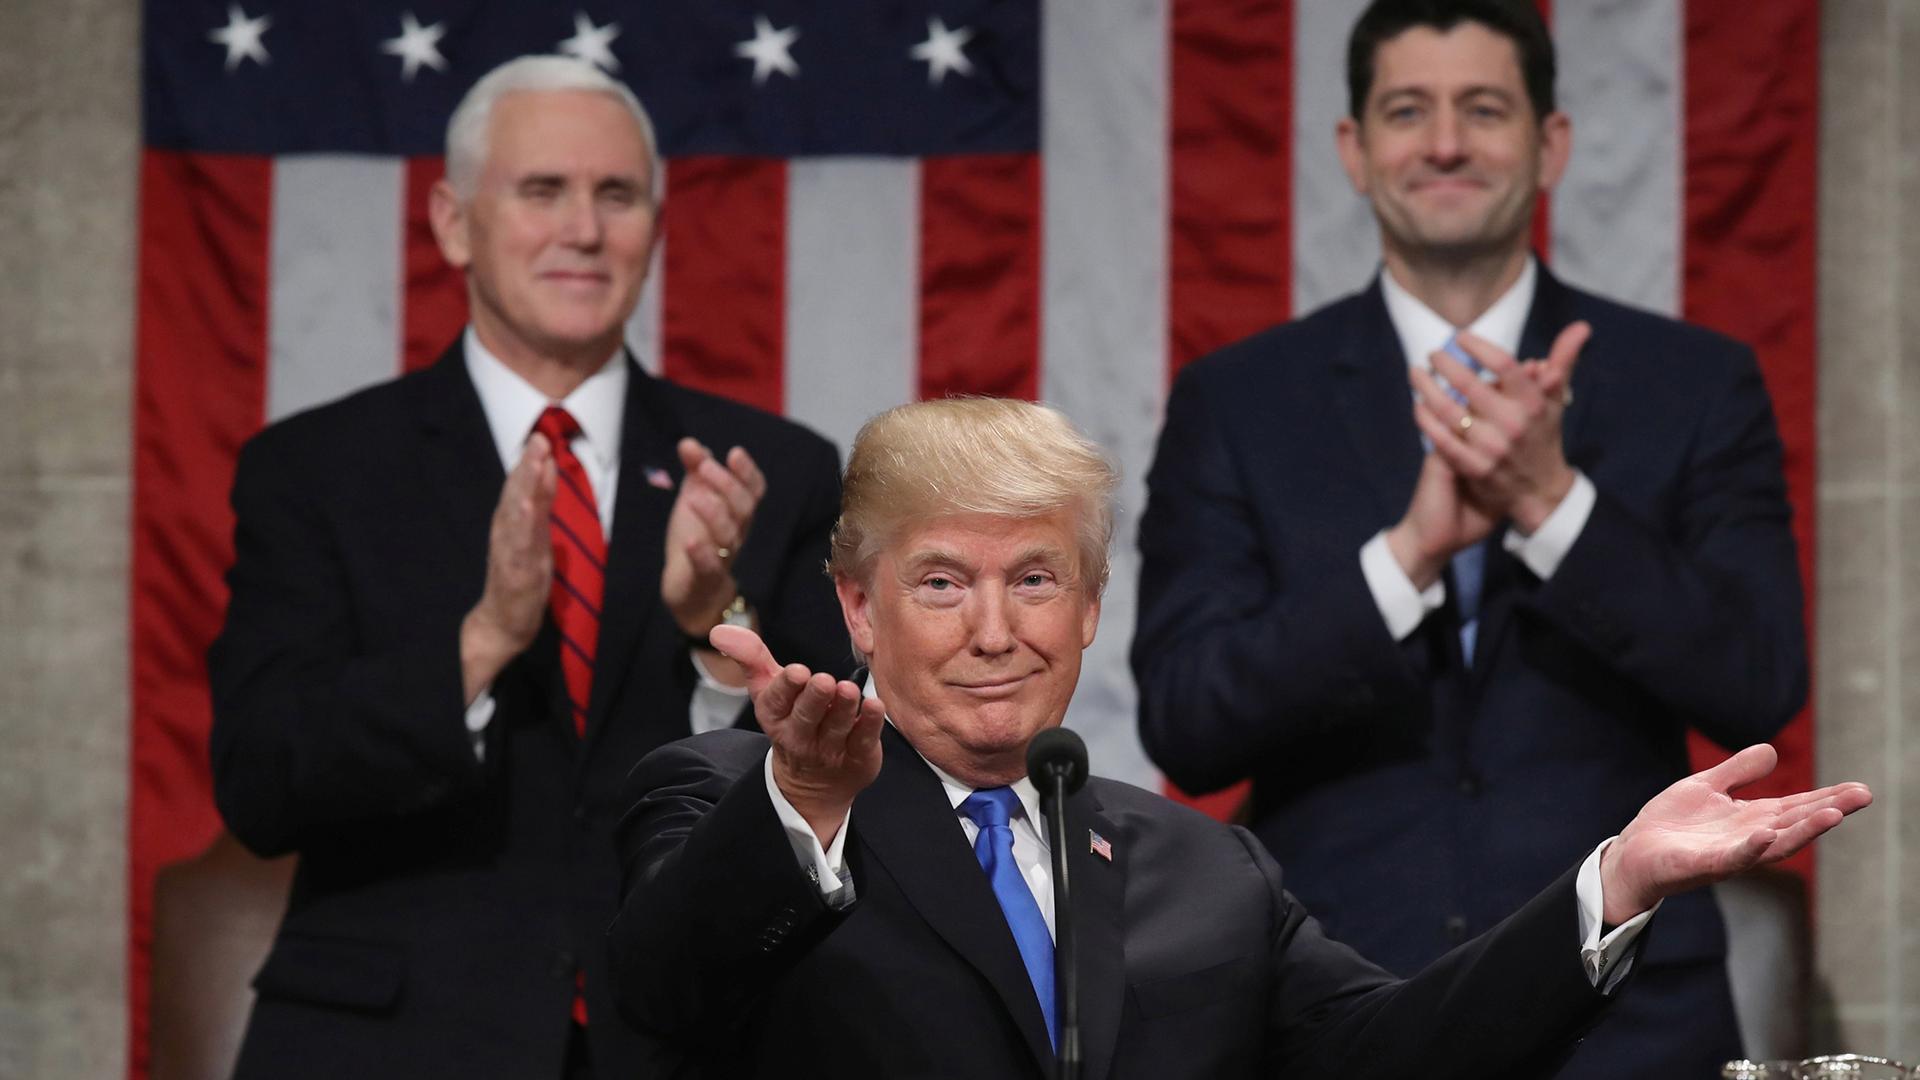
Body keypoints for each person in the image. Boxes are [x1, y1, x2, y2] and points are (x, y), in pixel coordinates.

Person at [607, 398, 1863, 1079]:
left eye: (1036, 579)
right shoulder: (733, 800)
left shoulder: (1207, 872)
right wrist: (803, 806)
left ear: (1094, 608)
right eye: (942, 583)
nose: (995, 629)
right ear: (856, 608)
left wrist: (1617, 879)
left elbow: (1399, 1055)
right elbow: (656, 999)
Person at [1131, 0, 1808, 1073]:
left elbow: (1759, 680)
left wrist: (1551, 502)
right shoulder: (1240, 400)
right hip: (1338, 1008)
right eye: (1409, 110)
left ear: (1551, 144)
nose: (1445, 142)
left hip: (1628, 1023)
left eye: (1484, 109)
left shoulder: (1691, 382)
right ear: (1355, 150)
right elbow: (1187, 718)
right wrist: (1407, 557)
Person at [207, 56, 850, 1079]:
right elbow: (261, 782)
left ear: (655, 223)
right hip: (392, 1041)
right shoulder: (318, 470)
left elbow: (848, 792)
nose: (583, 230)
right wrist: (481, 643)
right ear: (454, 221)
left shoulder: (770, 472)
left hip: (685, 1043)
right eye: (542, 191)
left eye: (616, 195)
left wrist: (715, 634)